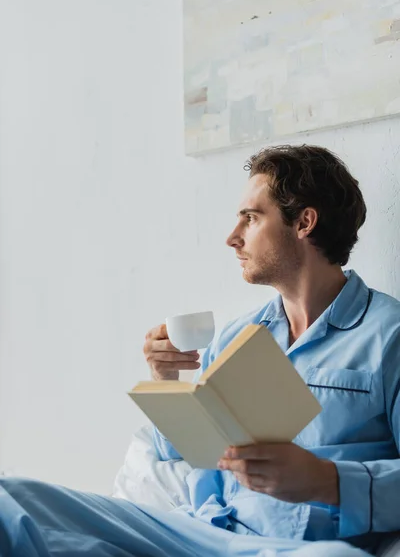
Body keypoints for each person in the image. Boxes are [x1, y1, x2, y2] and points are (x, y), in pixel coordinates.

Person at [1, 144, 399, 557]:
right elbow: (182, 454)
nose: (232, 237)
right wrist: (165, 381)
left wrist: (327, 479)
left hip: (291, 548)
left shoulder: (388, 335)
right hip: (198, 532)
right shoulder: (237, 336)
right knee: (11, 500)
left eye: (251, 217)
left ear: (304, 222)